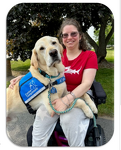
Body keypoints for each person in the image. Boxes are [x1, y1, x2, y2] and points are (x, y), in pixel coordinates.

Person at [9, 18, 98, 147]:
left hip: (78, 94)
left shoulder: (89, 55)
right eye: (65, 35)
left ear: (80, 35)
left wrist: (66, 100)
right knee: (41, 118)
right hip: (56, 96)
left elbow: (87, 84)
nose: (69, 38)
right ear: (62, 39)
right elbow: (43, 71)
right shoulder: (56, 52)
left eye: (73, 33)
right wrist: (24, 77)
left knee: (68, 119)